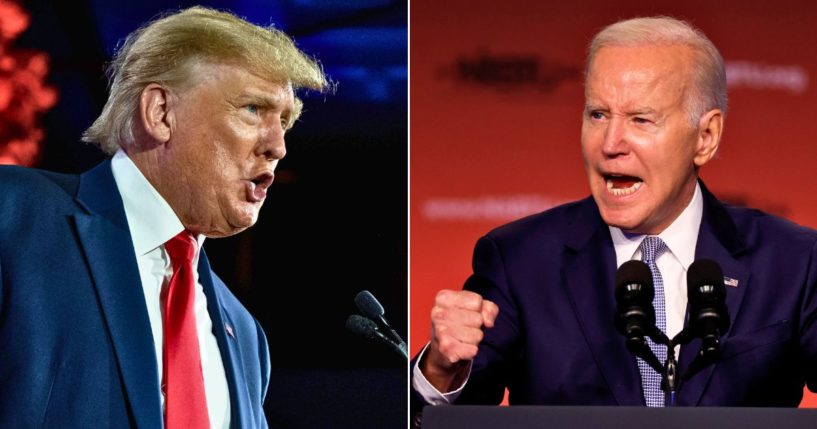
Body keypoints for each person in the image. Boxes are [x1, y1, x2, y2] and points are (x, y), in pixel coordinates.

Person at [412, 16, 817, 413]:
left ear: (705, 137)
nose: (610, 143)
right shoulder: (519, 261)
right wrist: (440, 370)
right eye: (598, 115)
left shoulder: (793, 261)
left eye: (641, 119)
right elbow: (443, 414)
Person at [0, 6, 326, 428]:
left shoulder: (245, 336)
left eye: (285, 121)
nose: (278, 146)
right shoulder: (16, 216)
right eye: (252, 109)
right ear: (160, 113)